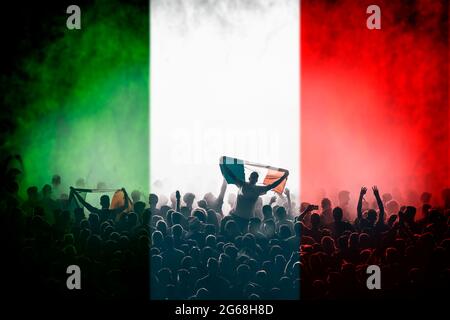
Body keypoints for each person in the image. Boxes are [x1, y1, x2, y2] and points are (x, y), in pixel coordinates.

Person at [222, 157, 289, 231]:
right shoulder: (242, 184)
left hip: (247, 219)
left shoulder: (258, 189)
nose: (253, 179)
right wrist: (224, 165)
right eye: (252, 177)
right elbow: (231, 175)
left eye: (255, 178)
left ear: (256, 180)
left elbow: (272, 185)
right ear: (249, 178)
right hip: (235, 216)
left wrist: (284, 176)